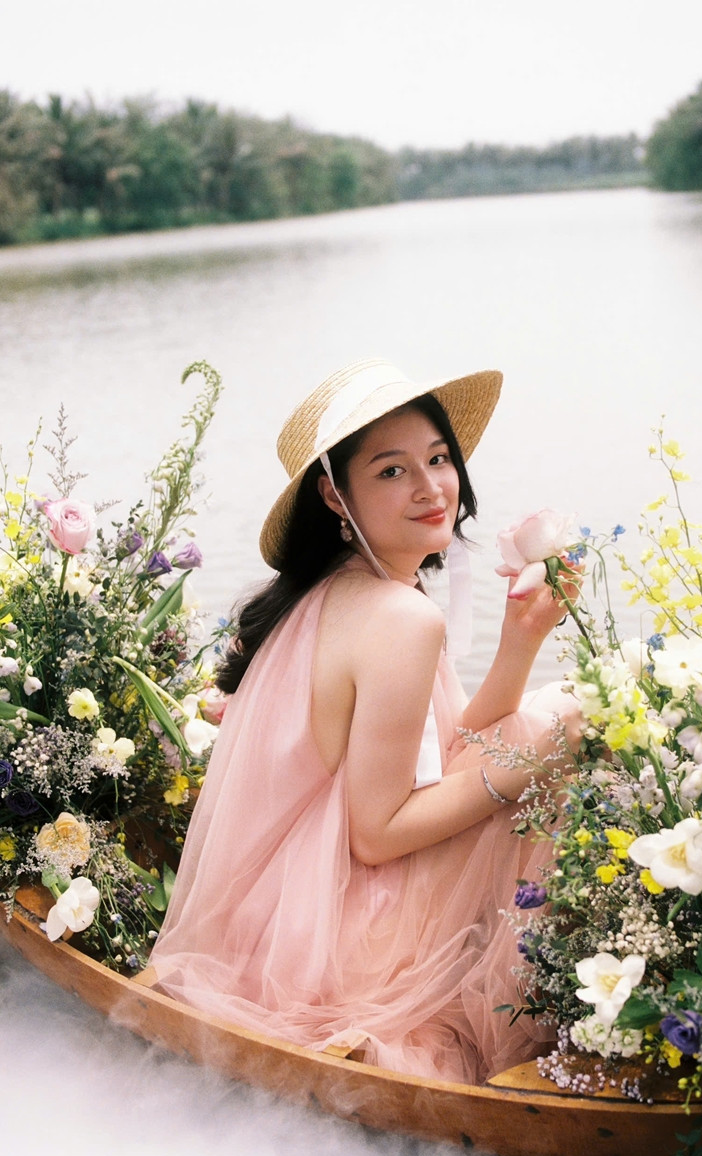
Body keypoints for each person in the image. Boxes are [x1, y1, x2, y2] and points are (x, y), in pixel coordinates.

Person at [150, 358, 582, 1084]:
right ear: (334, 494)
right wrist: (533, 763)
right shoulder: (398, 617)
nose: (431, 487)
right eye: (391, 471)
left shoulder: (340, 590)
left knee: (544, 717)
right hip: (341, 941)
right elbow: (376, 835)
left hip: (280, 923)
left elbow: (442, 756)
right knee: (557, 724)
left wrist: (521, 643)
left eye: (438, 459)